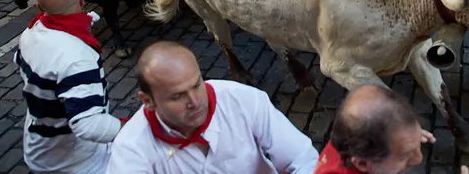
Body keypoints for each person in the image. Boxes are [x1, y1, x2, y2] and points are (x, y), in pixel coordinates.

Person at [106, 41, 318, 173]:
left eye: (197, 84)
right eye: (178, 96)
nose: (195, 101)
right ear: (147, 101)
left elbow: (301, 157)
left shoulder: (242, 99)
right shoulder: (130, 148)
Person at [15, 0, 125, 173]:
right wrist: (131, 128)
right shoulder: (78, 58)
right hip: (76, 162)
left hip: (38, 148)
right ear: (82, 0)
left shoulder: (29, 34)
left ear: (39, 7)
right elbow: (88, 125)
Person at [313, 85, 435, 174]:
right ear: (362, 164)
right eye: (404, 156)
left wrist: (408, 138)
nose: (418, 159)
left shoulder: (351, 136)